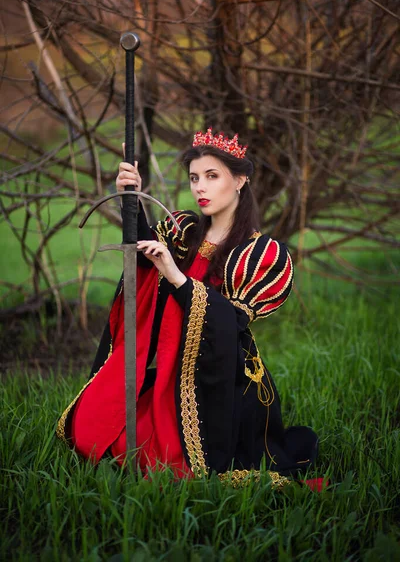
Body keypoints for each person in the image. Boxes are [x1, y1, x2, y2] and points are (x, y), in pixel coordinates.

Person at [57, 128, 318, 487]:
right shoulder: (184, 230)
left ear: (240, 179)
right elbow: (145, 264)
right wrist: (129, 196)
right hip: (170, 371)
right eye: (195, 178)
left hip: (220, 382)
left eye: (212, 177)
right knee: (93, 430)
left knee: (164, 464)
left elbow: (230, 324)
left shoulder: (259, 254)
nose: (200, 188)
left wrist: (176, 276)